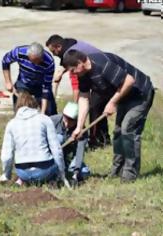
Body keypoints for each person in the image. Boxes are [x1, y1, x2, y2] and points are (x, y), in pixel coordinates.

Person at [63, 50, 155, 183]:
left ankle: (130, 174)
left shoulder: (102, 65)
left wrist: (112, 102)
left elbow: (129, 80)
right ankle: (117, 170)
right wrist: (78, 127)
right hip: (124, 96)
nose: (72, 74)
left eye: (72, 70)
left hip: (140, 94)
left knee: (128, 130)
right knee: (118, 132)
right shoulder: (83, 74)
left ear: (79, 64)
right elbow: (84, 98)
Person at [46, 34, 111, 149]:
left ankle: (96, 140)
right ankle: (103, 139)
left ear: (58, 46)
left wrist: (60, 76)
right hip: (97, 72)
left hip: (102, 74)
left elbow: (75, 79)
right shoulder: (71, 44)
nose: (53, 54)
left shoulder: (69, 53)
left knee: (95, 108)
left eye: (53, 51)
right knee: (97, 107)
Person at [0, 92, 70, 187]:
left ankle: (21, 181)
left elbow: (6, 156)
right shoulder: (45, 120)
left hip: (22, 172)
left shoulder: (11, 124)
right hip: (44, 170)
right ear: (34, 104)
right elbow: (56, 150)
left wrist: (6, 174)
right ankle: (52, 180)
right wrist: (62, 172)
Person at [2, 42, 57, 116]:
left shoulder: (49, 62)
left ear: (41, 57)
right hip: (23, 83)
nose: (34, 64)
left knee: (50, 112)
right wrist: (8, 81)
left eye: (37, 61)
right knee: (20, 111)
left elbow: (46, 87)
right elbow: (5, 61)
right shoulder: (18, 52)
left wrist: (43, 113)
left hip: (41, 85)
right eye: (32, 61)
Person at [50, 102, 90, 186]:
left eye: (71, 121)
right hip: (52, 156)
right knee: (59, 138)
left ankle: (69, 171)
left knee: (84, 172)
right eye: (66, 119)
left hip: (68, 157)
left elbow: (79, 152)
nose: (67, 124)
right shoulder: (52, 121)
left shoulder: (81, 131)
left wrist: (76, 173)